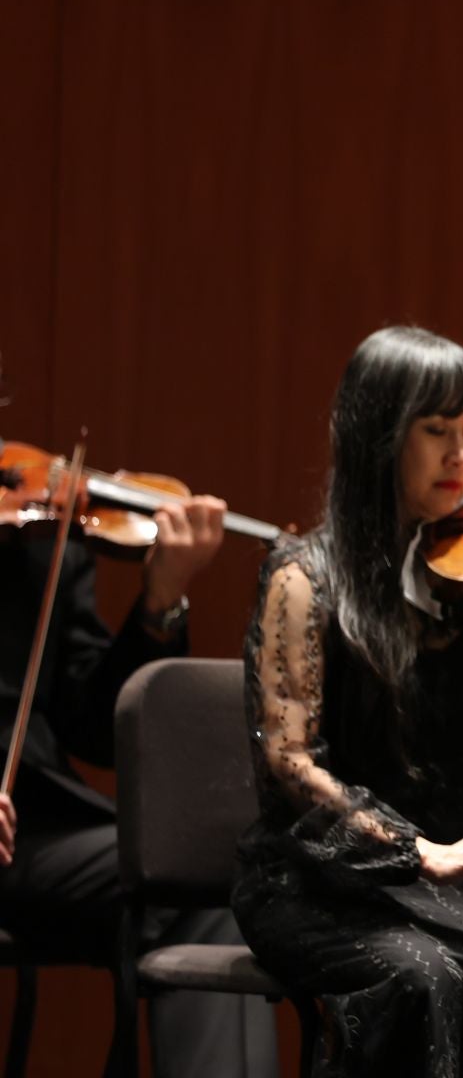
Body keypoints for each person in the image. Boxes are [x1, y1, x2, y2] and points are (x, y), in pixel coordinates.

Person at [232, 327, 463, 1076]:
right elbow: (290, 764)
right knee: (423, 978)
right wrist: (419, 851)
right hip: (323, 880)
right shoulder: (303, 578)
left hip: (456, 882)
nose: (461, 455)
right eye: (437, 431)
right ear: (378, 434)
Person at [0, 354, 277, 1076]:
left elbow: (93, 727)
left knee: (209, 870)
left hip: (29, 838)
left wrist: (160, 600)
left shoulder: (37, 533)